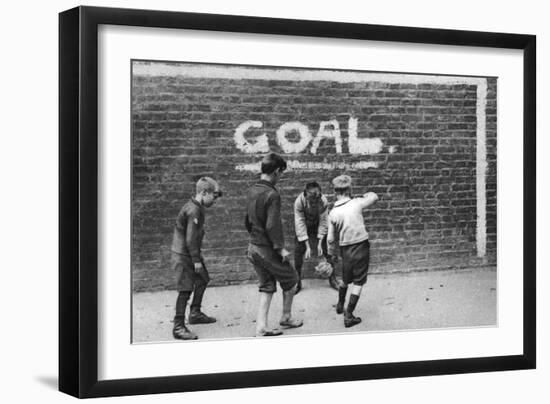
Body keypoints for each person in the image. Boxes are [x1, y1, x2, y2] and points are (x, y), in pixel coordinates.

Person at [245, 152, 303, 337]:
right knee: (292, 279)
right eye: (281, 173)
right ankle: (286, 317)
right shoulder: (272, 194)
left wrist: (255, 237)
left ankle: (261, 326)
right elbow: (272, 225)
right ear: (277, 171)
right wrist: (280, 248)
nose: (281, 177)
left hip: (253, 248)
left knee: (267, 285)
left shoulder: (252, 189)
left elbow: (247, 220)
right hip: (267, 250)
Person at [170, 177, 222, 340]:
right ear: (204, 192)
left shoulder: (196, 207)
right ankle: (178, 327)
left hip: (189, 254)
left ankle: (195, 313)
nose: (215, 199)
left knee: (202, 279)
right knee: (185, 289)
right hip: (183, 255)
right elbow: (190, 239)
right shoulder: (193, 210)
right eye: (214, 195)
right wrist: (196, 261)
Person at [327, 175, 378, 328]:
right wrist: (360, 195)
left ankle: (340, 304)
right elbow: (374, 196)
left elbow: (330, 239)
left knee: (344, 278)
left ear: (335, 191)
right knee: (358, 281)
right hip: (361, 246)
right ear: (349, 189)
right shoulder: (357, 203)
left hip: (345, 249)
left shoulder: (333, 213)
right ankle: (349, 315)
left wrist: (332, 253)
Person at [293, 182, 340, 293]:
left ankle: (332, 278)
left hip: (318, 224)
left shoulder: (323, 201)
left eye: (316, 201)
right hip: (305, 225)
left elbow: (324, 221)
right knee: (298, 251)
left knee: (329, 249)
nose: (314, 204)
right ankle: (297, 282)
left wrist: (320, 243)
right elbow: (300, 223)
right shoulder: (299, 202)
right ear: (305, 196)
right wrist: (307, 246)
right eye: (311, 201)